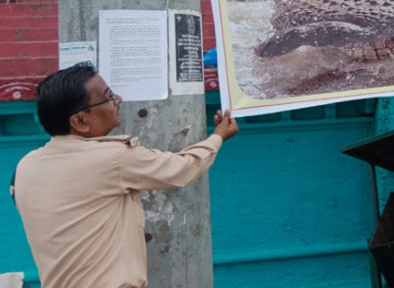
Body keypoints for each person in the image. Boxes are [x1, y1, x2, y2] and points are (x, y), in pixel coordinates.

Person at [12, 62, 239, 288]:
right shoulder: (112, 159)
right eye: (108, 96)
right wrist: (217, 136)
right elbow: (181, 169)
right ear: (80, 121)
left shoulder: (26, 166)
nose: (118, 99)